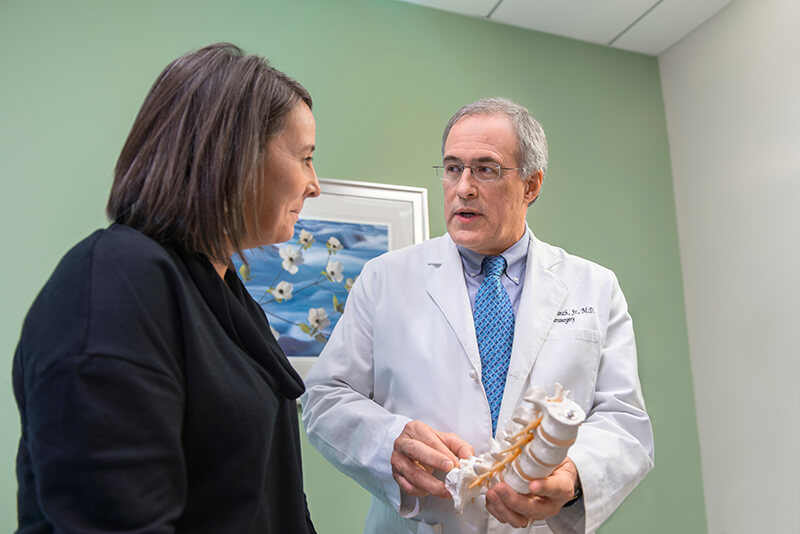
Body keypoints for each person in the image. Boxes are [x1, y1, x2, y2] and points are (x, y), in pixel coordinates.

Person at [301, 97, 654, 533]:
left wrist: (573, 476)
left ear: (531, 185)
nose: (463, 188)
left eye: (486, 169)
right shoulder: (384, 278)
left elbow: (624, 420)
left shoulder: (595, 287)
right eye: (453, 168)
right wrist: (389, 441)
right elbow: (325, 397)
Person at [13, 43, 320, 533]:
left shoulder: (229, 299)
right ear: (233, 154)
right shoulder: (113, 281)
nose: (313, 183)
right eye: (305, 158)